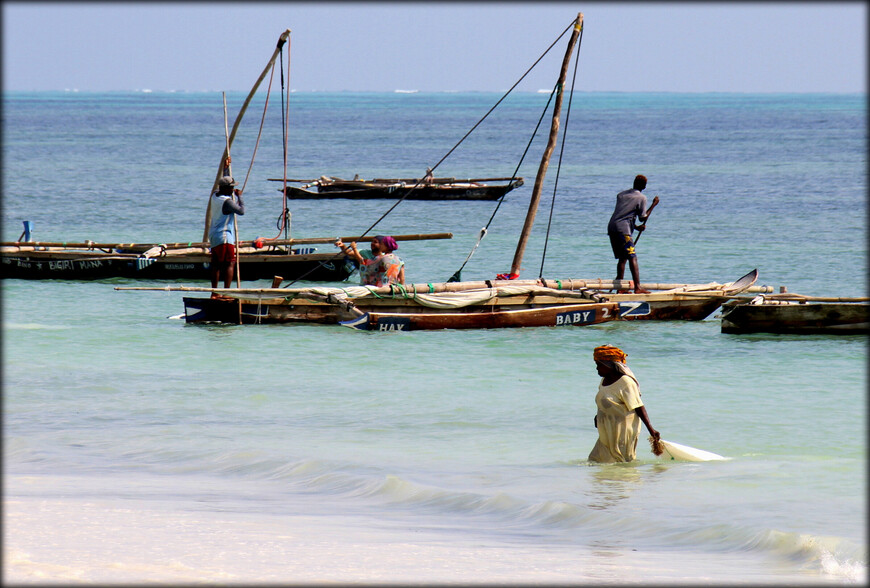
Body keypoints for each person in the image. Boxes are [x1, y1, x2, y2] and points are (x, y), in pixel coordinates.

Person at [588, 344, 660, 463]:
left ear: (608, 365)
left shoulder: (626, 382)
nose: (597, 369)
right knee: (595, 460)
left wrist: (651, 430)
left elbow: (638, 407)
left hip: (623, 430)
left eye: (599, 365)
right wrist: (598, 416)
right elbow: (606, 401)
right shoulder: (604, 381)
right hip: (607, 428)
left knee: (622, 462)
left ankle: (628, 481)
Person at [607, 174, 659, 294]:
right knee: (632, 257)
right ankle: (637, 287)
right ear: (644, 186)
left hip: (613, 227)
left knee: (623, 258)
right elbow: (643, 217)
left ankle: (620, 289)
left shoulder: (621, 195)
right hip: (623, 230)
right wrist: (654, 204)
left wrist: (635, 227)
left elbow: (623, 215)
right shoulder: (641, 198)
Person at [208, 157, 245, 295]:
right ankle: (226, 293)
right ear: (227, 189)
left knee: (216, 266)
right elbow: (241, 211)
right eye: (232, 188)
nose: (233, 189)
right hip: (224, 236)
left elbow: (224, 183)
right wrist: (240, 196)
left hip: (214, 237)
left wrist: (226, 168)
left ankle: (214, 293)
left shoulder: (215, 195)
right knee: (230, 264)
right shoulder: (228, 201)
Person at [335, 234, 405, 287]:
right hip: (392, 288)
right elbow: (402, 279)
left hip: (379, 288)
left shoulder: (380, 258)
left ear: (384, 245)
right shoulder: (399, 259)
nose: (372, 243)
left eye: (376, 242)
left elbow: (364, 264)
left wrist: (355, 249)